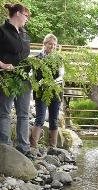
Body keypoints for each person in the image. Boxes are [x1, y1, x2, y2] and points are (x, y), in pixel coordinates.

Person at [0, 3, 35, 159]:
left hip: (24, 79)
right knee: (4, 112)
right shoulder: (1, 31)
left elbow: (24, 56)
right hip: (7, 79)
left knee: (23, 114)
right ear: (19, 14)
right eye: (26, 16)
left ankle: (23, 147)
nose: (27, 19)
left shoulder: (25, 34)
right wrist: (3, 64)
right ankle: (5, 146)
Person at [30, 34, 64, 150]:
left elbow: (61, 76)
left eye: (54, 44)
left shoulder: (59, 59)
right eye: (50, 44)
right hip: (41, 92)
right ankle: (33, 145)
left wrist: (52, 82)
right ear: (44, 44)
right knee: (40, 118)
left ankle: (52, 146)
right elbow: (32, 77)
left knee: (54, 119)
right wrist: (40, 83)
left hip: (55, 91)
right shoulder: (37, 58)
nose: (52, 46)